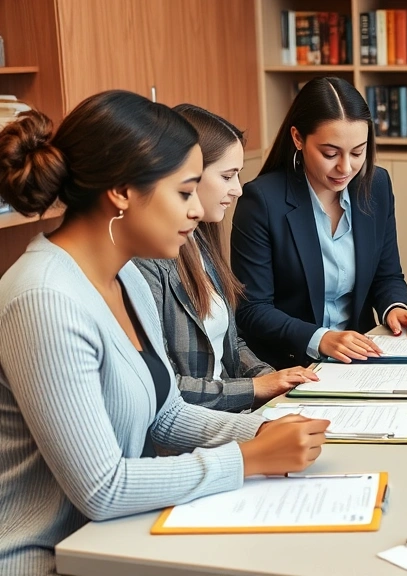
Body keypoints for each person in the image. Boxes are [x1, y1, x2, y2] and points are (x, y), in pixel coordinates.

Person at [0, 91, 328, 575]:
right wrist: (248, 457)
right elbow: (102, 488)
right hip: (51, 557)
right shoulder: (44, 299)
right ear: (122, 190)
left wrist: (267, 429)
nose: (196, 211)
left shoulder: (128, 276)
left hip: (117, 540)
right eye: (183, 192)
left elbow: (166, 416)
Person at [232, 77, 407, 369]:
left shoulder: (375, 185)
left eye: (357, 152)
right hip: (290, 365)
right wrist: (320, 338)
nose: (346, 167)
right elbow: (252, 310)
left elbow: (386, 276)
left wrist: (395, 307)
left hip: (360, 358)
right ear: (298, 139)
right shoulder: (262, 200)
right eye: (330, 153)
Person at [135, 104, 317, 412]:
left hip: (232, 414)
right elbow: (165, 387)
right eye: (228, 176)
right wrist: (256, 388)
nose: (238, 190)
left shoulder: (201, 241)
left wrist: (275, 380)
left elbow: (231, 347)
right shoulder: (146, 263)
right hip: (197, 429)